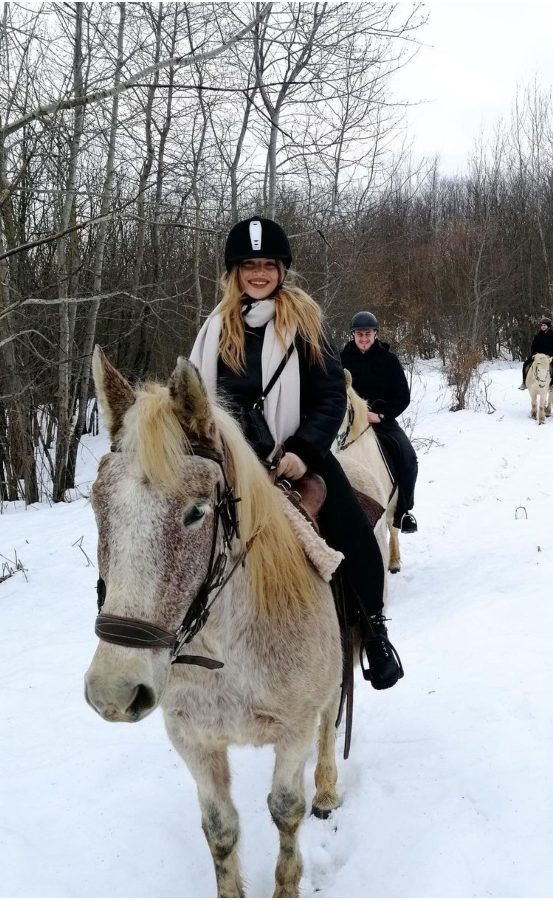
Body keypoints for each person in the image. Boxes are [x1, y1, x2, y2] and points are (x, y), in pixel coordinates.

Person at [190, 216, 403, 690]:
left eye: (268, 264)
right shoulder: (213, 330)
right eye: (250, 265)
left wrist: (304, 451)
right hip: (228, 461)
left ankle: (374, 634)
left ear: (282, 269)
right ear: (235, 272)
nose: (259, 274)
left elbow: (330, 396)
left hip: (296, 454)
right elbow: (194, 398)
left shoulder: (306, 323)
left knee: (355, 535)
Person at [340, 311, 419, 534]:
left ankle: (403, 512)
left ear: (375, 334)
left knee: (409, 458)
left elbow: (403, 396)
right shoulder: (341, 360)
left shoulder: (389, 360)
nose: (363, 338)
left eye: (367, 334)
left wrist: (381, 416)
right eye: (359, 334)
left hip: (381, 422)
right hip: (348, 425)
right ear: (352, 335)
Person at [519, 317, 553, 389]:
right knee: (525, 364)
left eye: (544, 325)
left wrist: (550, 355)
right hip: (538, 355)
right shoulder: (537, 336)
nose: (543, 327)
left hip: (548, 355)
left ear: (548, 326)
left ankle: (552, 384)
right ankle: (524, 382)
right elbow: (533, 346)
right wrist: (534, 354)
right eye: (542, 325)